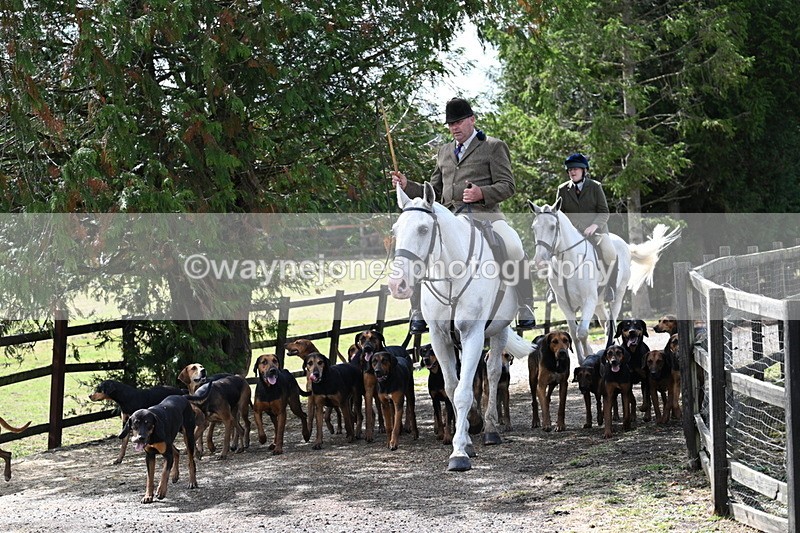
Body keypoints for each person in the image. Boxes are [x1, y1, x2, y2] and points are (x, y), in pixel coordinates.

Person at [390, 97, 535, 333]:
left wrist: (481, 193)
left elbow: (508, 185)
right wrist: (408, 186)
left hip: (486, 217)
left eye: (458, 122)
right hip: (449, 219)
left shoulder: (493, 146)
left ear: (472, 120)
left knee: (514, 246)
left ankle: (525, 305)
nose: (454, 128)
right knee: (421, 248)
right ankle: (418, 310)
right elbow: (434, 191)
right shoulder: (444, 151)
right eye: (450, 124)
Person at [555, 153, 616, 301]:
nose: (572, 172)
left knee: (609, 251)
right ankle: (552, 289)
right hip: (572, 233)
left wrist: (594, 226)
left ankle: (610, 287)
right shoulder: (562, 189)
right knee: (553, 252)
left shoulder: (595, 186)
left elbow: (604, 211)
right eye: (570, 170)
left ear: (584, 170)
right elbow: (558, 214)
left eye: (575, 169)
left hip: (596, 231)